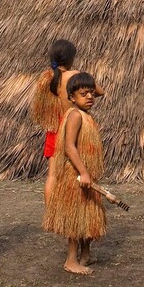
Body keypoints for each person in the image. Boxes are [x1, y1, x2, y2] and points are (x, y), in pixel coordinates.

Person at [43, 72, 106, 275]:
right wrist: (84, 172)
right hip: (76, 175)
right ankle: (71, 260)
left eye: (91, 93)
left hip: (86, 173)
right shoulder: (75, 115)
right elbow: (70, 147)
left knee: (88, 214)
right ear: (71, 97)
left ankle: (85, 254)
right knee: (75, 217)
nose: (89, 97)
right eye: (83, 94)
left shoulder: (86, 115)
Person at [31, 39, 103, 206]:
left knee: (53, 175)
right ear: (71, 58)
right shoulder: (74, 76)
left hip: (54, 127)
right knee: (80, 168)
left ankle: (51, 211)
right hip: (73, 127)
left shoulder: (48, 78)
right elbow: (99, 91)